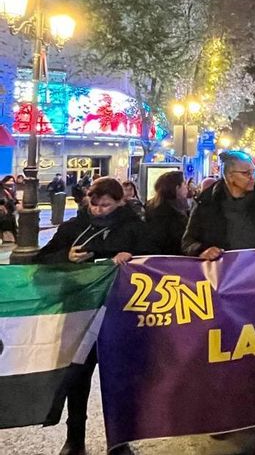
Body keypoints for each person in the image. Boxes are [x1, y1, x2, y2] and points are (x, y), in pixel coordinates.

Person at [34, 178, 144, 455]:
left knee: (116, 378)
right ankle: (75, 439)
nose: (98, 210)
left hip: (118, 312)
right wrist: (65, 256)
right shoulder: (73, 227)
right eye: (94, 204)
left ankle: (119, 440)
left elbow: (153, 260)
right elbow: (42, 260)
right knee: (78, 377)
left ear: (120, 202)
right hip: (79, 311)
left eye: (106, 205)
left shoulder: (135, 227)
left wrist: (132, 258)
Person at [182, 151, 255, 260]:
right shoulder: (205, 203)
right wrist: (202, 251)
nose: (252, 177)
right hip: (222, 273)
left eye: (254, 172)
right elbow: (188, 242)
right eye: (246, 173)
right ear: (229, 176)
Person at [144, 171, 189, 256]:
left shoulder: (151, 205)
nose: (187, 187)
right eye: (184, 184)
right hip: (171, 259)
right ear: (177, 187)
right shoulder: (168, 212)